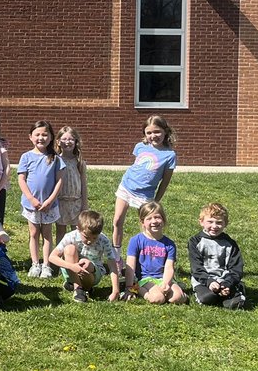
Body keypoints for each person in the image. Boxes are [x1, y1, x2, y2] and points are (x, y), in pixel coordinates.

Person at [111, 115, 177, 250]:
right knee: (117, 221)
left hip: (145, 195)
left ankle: (145, 254)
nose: (153, 136)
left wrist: (156, 201)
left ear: (165, 131)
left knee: (147, 227)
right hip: (126, 187)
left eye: (157, 131)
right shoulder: (140, 146)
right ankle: (116, 256)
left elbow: (165, 182)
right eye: (149, 133)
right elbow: (137, 166)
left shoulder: (169, 155)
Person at [17, 120, 65, 279]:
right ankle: (35, 264)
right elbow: (21, 179)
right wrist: (31, 199)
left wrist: (50, 201)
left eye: (45, 134)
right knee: (33, 233)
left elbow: (59, 181)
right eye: (37, 134)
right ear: (30, 137)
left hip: (49, 205)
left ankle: (46, 265)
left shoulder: (55, 158)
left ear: (51, 137)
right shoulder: (26, 157)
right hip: (31, 205)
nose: (41, 138)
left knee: (47, 234)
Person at [49, 209, 124, 303]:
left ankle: (81, 287)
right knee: (69, 249)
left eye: (94, 238)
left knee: (86, 264)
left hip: (92, 273)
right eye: (86, 237)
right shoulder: (70, 236)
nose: (90, 241)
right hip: (70, 270)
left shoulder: (103, 240)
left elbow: (112, 265)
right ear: (78, 229)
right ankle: (78, 288)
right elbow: (52, 257)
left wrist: (115, 291)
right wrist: (72, 266)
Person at [126, 201, 186, 305]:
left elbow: (169, 267)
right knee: (157, 299)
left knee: (177, 298)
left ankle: (180, 293)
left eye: (157, 217)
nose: (154, 221)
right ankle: (137, 289)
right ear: (142, 222)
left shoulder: (169, 244)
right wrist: (128, 286)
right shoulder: (136, 240)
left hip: (163, 278)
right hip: (145, 279)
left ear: (163, 220)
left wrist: (166, 283)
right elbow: (130, 265)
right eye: (149, 218)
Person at [188, 202, 245, 309]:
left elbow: (236, 268)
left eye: (219, 222)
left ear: (225, 223)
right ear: (201, 222)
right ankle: (215, 294)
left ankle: (236, 290)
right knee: (207, 298)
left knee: (234, 304)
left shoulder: (230, 243)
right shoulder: (195, 241)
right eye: (210, 222)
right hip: (204, 281)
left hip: (225, 279)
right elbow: (196, 267)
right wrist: (209, 282)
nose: (214, 226)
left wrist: (227, 284)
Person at [54, 126, 88, 238]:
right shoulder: (55, 160)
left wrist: (84, 205)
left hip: (76, 202)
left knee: (77, 231)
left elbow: (83, 184)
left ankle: (75, 254)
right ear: (58, 142)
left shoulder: (79, 161)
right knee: (61, 231)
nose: (67, 142)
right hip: (61, 201)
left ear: (76, 142)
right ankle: (59, 254)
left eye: (71, 139)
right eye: (64, 139)